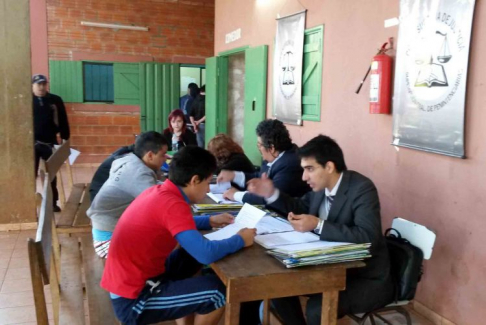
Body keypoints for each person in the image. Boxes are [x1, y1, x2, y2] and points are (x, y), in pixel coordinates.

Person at [246, 135, 395, 324]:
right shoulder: (320, 188)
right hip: (327, 267)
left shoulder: (362, 189)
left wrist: (318, 225)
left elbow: (368, 237)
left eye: (309, 169)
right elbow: (299, 206)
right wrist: (271, 194)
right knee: (277, 286)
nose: (303, 177)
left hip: (364, 278)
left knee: (317, 309)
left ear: (330, 167)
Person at [101, 146, 257, 325]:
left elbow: (171, 222)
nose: (207, 190)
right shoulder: (173, 204)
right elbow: (206, 253)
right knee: (218, 292)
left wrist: (209, 221)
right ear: (194, 180)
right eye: (207, 183)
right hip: (134, 299)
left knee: (189, 257)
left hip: (136, 278)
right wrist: (240, 239)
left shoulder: (161, 192)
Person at [87, 131, 168, 258]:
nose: (166, 158)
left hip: (107, 229)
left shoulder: (129, 159)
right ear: (150, 155)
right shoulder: (139, 173)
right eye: (163, 155)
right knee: (166, 240)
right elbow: (161, 208)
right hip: (108, 241)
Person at [217, 119, 310, 205]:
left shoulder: (290, 164)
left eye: (259, 145)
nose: (259, 149)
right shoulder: (275, 156)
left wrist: (236, 195)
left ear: (272, 148)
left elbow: (267, 195)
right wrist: (234, 175)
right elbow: (260, 178)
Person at [32, 74, 70, 212]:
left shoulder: (55, 100)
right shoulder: (27, 100)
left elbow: (63, 119)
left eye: (44, 84)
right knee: (31, 175)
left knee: (51, 174)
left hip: (49, 142)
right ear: (32, 86)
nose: (41, 87)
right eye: (38, 84)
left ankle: (53, 202)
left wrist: (65, 138)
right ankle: (30, 204)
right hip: (32, 144)